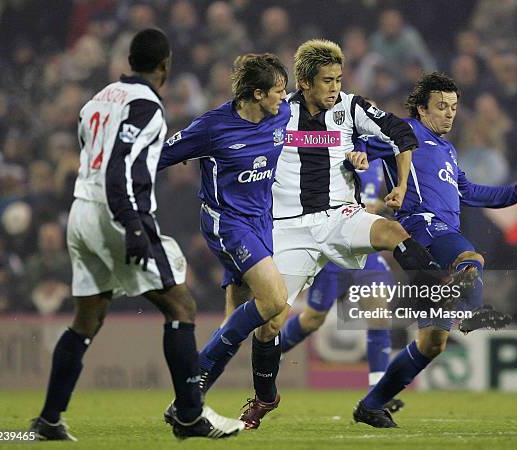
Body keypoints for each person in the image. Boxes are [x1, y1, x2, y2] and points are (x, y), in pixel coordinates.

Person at [200, 39, 469, 430]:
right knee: (272, 321)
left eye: (338, 79)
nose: (335, 88)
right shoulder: (279, 113)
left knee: (392, 231)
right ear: (305, 83)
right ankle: (264, 397)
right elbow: (239, 142)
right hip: (290, 228)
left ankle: (436, 287)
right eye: (327, 81)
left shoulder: (352, 107)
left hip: (342, 216)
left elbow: (401, 135)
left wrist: (399, 184)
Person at [29, 29, 244, 441]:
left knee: (86, 319)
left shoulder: (98, 99)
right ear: (165, 65)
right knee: (181, 305)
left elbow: (87, 150)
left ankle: (49, 420)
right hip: (117, 214)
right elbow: (119, 170)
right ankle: (188, 415)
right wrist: (131, 225)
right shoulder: (147, 106)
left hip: (81, 212)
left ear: (129, 60)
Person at [354, 71, 517, 428]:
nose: (449, 114)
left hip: (441, 235)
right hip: (423, 226)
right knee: (471, 260)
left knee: (432, 343)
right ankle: (461, 299)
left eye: (453, 107)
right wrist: (357, 155)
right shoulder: (406, 132)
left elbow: (472, 192)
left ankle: (371, 405)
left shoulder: (447, 150)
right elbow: (360, 143)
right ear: (420, 108)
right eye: (441, 107)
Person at [157, 52, 291, 426]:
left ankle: (194, 400)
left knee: (264, 320)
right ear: (257, 93)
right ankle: (191, 395)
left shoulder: (282, 115)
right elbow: (160, 156)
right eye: (278, 91)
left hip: (262, 223)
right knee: (276, 299)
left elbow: (309, 135)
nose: (285, 97)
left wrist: (357, 149)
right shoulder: (213, 127)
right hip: (226, 223)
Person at [279, 133, 404, 412]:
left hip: (365, 252)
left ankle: (379, 392)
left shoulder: (385, 162)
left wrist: (383, 207)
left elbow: (396, 201)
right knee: (312, 320)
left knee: (378, 315)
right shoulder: (335, 155)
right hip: (333, 250)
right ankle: (268, 354)